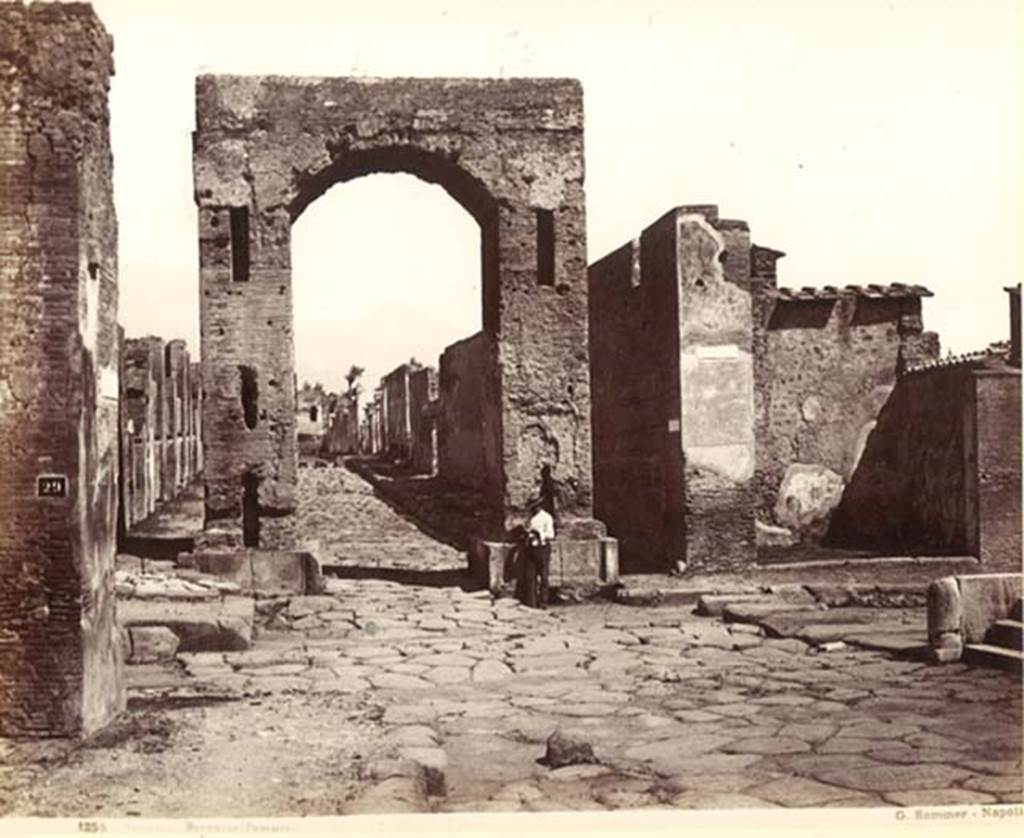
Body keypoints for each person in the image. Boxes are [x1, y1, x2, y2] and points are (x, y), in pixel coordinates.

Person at [520, 495, 554, 608]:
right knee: (530, 576)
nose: (534, 509)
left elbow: (550, 534)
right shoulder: (530, 519)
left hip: (542, 548)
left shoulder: (546, 518)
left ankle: (543, 601)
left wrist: (539, 533)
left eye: (535, 507)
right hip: (531, 548)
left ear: (539, 506)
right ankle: (531, 601)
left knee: (544, 576)